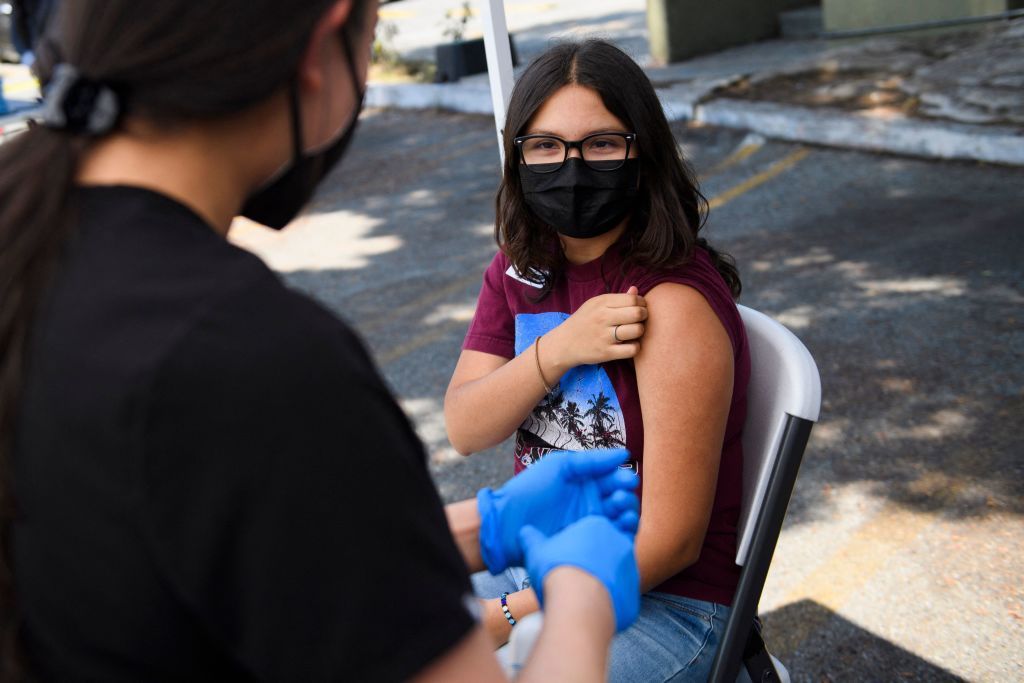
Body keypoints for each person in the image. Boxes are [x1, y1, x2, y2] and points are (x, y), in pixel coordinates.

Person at [0, 2, 645, 681]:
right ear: (321, 42)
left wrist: (471, 531)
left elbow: (168, 553)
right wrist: (579, 594)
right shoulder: (260, 361)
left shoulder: (29, 248)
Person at [444, 39, 751, 682]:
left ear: (643, 152)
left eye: (602, 143)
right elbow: (466, 427)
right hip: (537, 556)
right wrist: (557, 350)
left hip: (663, 605)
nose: (572, 166)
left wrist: (505, 614)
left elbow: (669, 544)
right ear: (519, 157)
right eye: (547, 145)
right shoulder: (520, 270)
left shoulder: (672, 303)